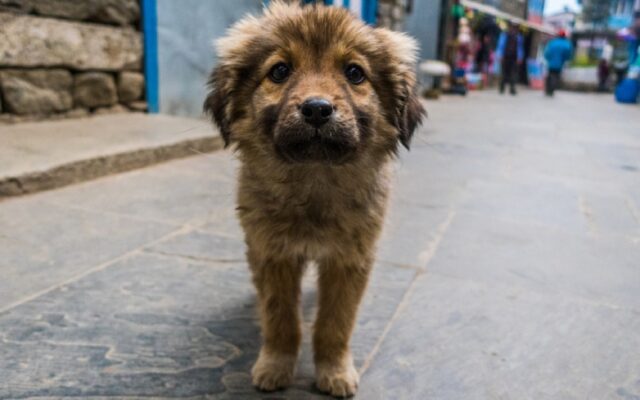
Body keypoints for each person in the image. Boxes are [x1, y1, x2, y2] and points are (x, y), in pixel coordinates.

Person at [495, 23, 524, 95]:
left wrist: (520, 57)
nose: (514, 29)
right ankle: (502, 88)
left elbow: (520, 48)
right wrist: (500, 55)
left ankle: (512, 89)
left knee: (513, 73)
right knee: (504, 73)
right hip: (505, 57)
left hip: (514, 57)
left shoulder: (519, 37)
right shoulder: (505, 35)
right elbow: (501, 45)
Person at [543, 30, 573, 96]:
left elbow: (547, 53)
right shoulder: (567, 44)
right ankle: (552, 90)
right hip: (559, 65)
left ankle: (548, 90)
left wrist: (548, 59)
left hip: (551, 64)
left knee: (550, 76)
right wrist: (564, 60)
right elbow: (568, 55)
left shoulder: (552, 43)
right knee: (556, 76)